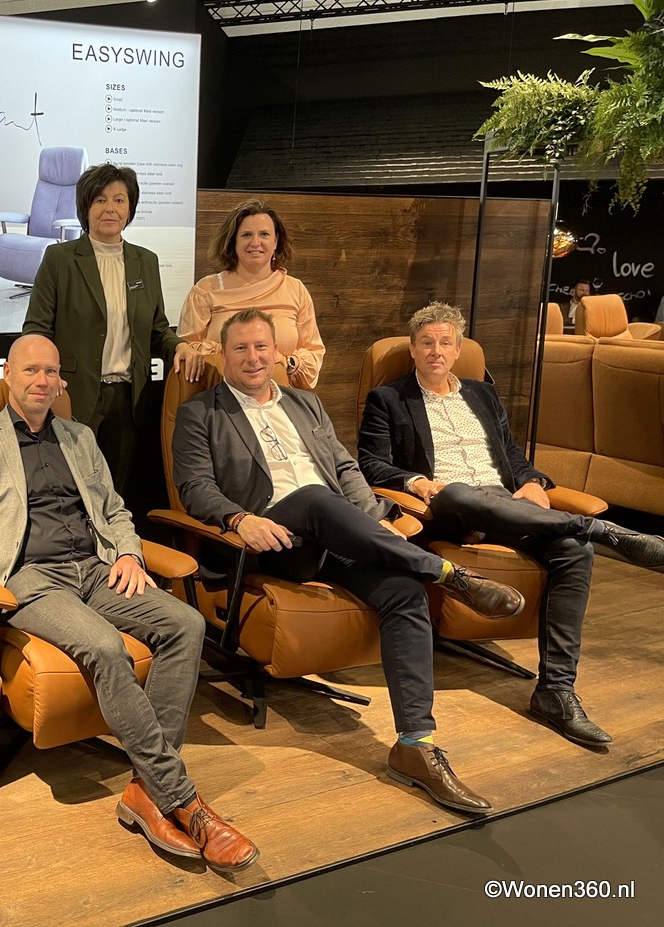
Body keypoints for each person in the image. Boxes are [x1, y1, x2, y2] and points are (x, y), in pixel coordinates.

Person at [0, 334, 257, 872]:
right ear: (8, 375)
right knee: (104, 647)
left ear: (60, 382)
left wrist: (129, 553)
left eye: (51, 371)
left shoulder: (80, 437)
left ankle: (146, 791)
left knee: (186, 624)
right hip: (28, 579)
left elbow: (115, 511)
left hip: (95, 569)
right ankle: (185, 802)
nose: (41, 380)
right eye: (30, 370)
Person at [172, 308, 528, 815]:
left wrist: (375, 524)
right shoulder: (201, 412)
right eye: (241, 348)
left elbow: (345, 468)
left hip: (337, 537)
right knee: (314, 498)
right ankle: (447, 574)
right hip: (273, 541)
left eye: (261, 347)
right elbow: (194, 486)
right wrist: (238, 519)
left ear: (277, 352)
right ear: (223, 355)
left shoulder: (306, 403)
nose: (253, 357)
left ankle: (416, 745)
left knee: (404, 592)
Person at [358, 302, 664, 748]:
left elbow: (512, 455)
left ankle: (555, 692)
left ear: (458, 349)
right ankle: (602, 530)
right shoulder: (388, 399)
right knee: (457, 492)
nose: (436, 351)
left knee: (573, 550)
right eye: (426, 342)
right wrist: (415, 481)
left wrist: (533, 482)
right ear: (413, 348)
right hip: (448, 508)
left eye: (445, 342)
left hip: (505, 504)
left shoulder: (482, 395)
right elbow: (370, 463)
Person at [22, 163, 204, 495]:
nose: (110, 208)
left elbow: (157, 327)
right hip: (72, 393)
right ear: (85, 207)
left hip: (128, 398)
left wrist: (179, 346)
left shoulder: (145, 261)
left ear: (130, 208)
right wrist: (47, 376)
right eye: (100, 200)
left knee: (115, 489)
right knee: (71, 487)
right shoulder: (60, 259)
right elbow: (36, 329)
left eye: (119, 200)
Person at [178, 200, 325, 389]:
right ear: (233, 241)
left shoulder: (295, 290)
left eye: (264, 234)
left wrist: (286, 362)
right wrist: (229, 352)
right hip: (220, 396)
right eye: (246, 235)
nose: (255, 243)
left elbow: (313, 353)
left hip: (282, 396)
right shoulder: (205, 291)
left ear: (276, 241)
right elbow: (186, 348)